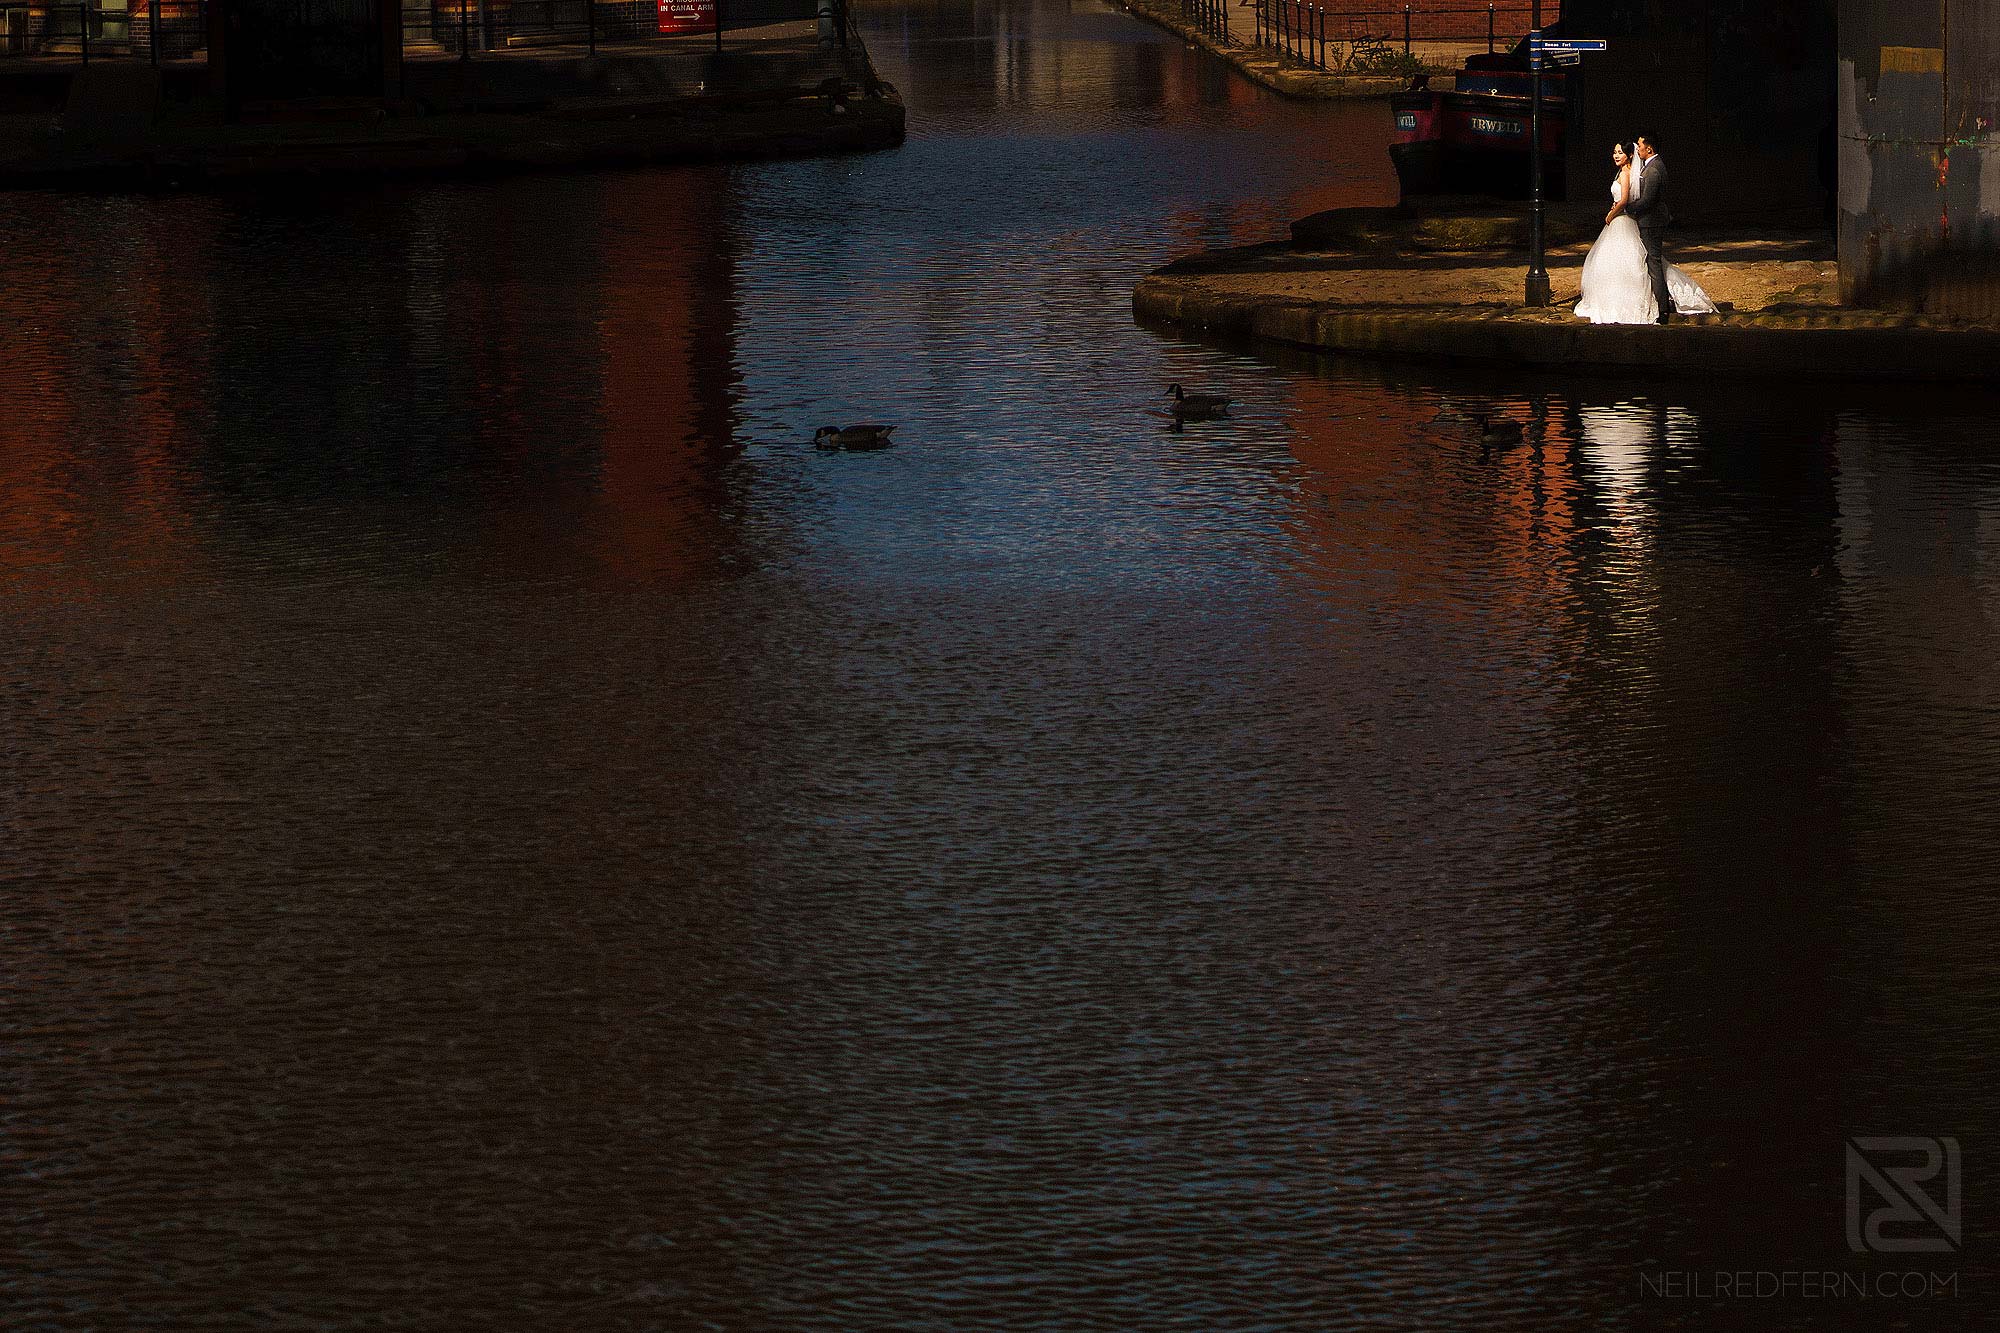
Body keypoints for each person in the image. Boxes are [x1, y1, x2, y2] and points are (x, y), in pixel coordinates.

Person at [1574, 137, 1716, 326]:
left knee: (1648, 262)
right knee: (1626, 262)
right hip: (1624, 220)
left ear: (1631, 154)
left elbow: (1627, 200)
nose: (1616, 155)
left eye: (1620, 152)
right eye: (1614, 152)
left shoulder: (1636, 172)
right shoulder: (1627, 172)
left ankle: (1662, 306)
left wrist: (1613, 213)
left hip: (1627, 220)